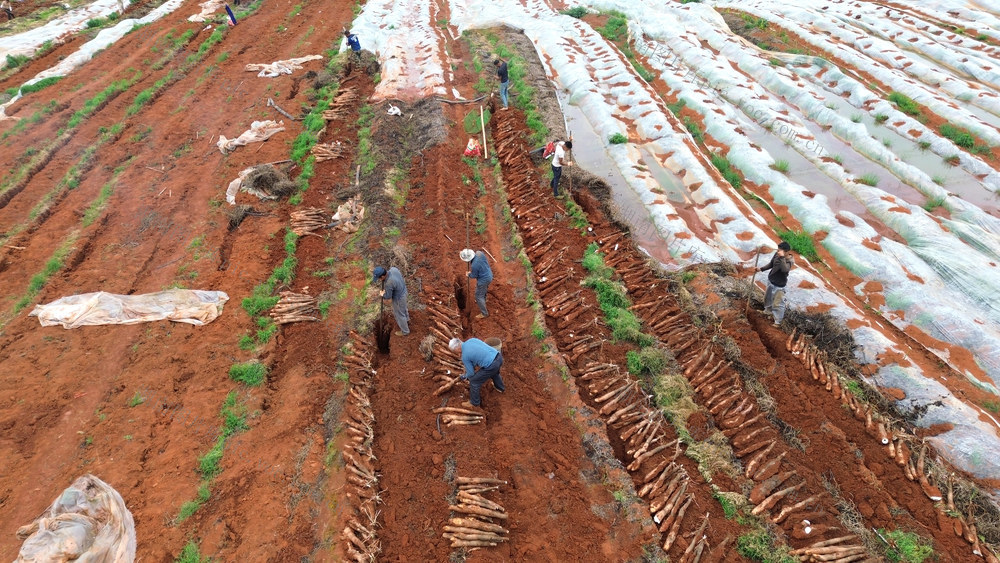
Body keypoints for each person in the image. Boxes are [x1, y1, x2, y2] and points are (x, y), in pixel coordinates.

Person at [449, 337, 505, 409]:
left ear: (457, 349)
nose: (456, 353)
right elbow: (477, 354)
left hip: (491, 366)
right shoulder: (471, 340)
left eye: (455, 351)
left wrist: (465, 376)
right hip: (499, 357)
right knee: (494, 373)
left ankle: (474, 403)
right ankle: (500, 388)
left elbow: (471, 373)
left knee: (474, 381)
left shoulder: (465, 356)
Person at [757, 241, 794, 326]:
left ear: (787, 252)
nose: (778, 252)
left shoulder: (790, 260)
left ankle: (777, 322)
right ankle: (767, 311)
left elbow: (785, 269)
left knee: (778, 304)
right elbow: (771, 264)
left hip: (779, 285)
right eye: (778, 250)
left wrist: (781, 258)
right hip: (771, 281)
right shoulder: (777, 254)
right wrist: (761, 269)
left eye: (781, 251)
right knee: (768, 298)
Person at [373, 266, 410, 336]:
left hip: (399, 298)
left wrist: (382, 294)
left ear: (383, 276)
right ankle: (407, 320)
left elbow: (388, 297)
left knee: (399, 314)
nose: (379, 280)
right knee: (403, 308)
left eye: (379, 278)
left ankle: (405, 331)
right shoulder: (393, 269)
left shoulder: (389, 283)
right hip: (404, 291)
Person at [461, 248, 493, 319]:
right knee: (483, 289)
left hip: (483, 280)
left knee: (478, 296)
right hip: (489, 274)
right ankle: (483, 299)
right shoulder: (479, 253)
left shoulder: (474, 265)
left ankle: (484, 313)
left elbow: (474, 275)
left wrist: (468, 274)